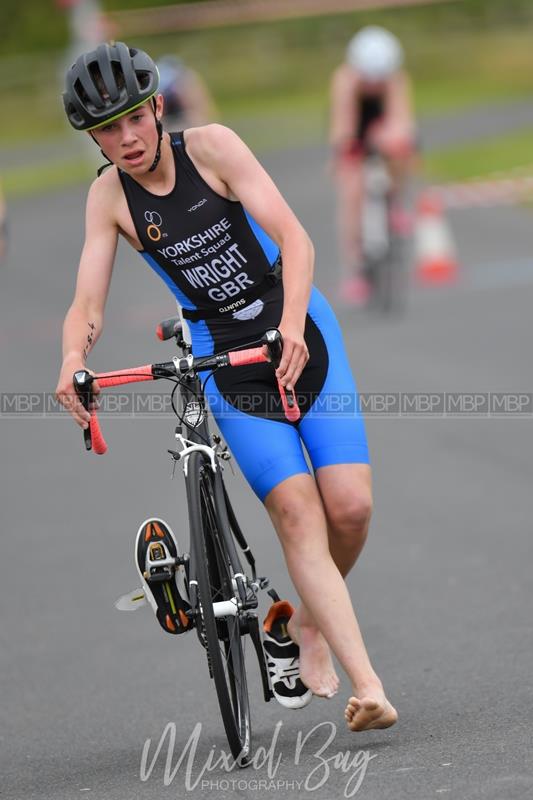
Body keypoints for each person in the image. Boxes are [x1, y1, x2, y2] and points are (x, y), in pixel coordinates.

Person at [56, 41, 398, 732]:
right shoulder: (108, 199)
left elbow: (295, 241)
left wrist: (294, 325)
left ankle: (303, 623)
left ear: (156, 106)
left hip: (299, 322)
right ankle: (368, 686)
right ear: (93, 137)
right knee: (300, 514)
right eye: (106, 129)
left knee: (351, 509)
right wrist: (71, 356)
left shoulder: (211, 148)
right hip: (223, 354)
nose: (124, 139)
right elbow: (88, 300)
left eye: (133, 119)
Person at [329, 26, 416, 305]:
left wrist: (395, 140)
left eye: (380, 79)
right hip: (357, 124)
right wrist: (345, 152)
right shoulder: (345, 80)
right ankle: (355, 268)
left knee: (401, 147)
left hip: (382, 122)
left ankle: (397, 201)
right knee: (351, 192)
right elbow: (343, 126)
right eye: (370, 79)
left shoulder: (397, 79)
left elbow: (402, 120)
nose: (375, 85)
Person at [157, 54, 217, 130]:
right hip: (171, 117)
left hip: (182, 116)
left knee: (195, 119)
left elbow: (203, 107)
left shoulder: (187, 78)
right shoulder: (175, 82)